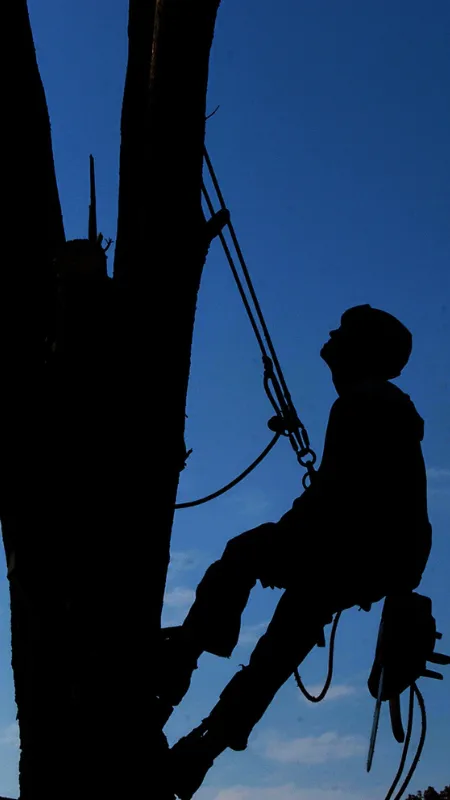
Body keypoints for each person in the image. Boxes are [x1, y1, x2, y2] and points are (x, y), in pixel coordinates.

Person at [158, 304, 432, 800]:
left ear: (361, 349)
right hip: (384, 557)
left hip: (353, 547)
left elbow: (335, 495)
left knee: (243, 554)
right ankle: (204, 750)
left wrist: (285, 542)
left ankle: (180, 665)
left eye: (342, 333)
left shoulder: (360, 403)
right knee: (283, 644)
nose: (329, 335)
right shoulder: (386, 406)